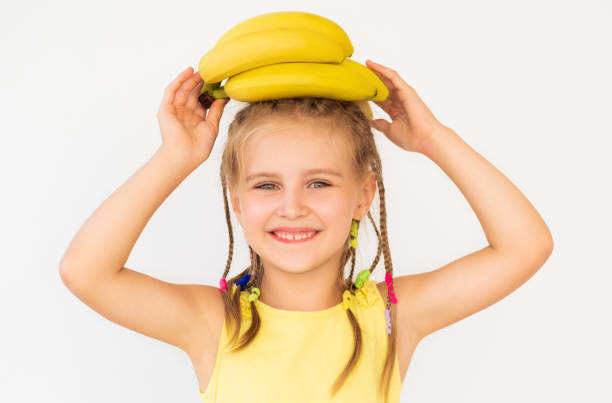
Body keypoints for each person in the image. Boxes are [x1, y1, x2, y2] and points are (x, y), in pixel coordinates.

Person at [59, 60, 554, 403]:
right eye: (267, 185)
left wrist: (434, 139)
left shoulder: (390, 318)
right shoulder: (213, 322)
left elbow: (524, 247)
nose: (292, 207)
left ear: (364, 195)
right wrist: (176, 156)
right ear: (236, 199)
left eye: (319, 182)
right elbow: (86, 272)